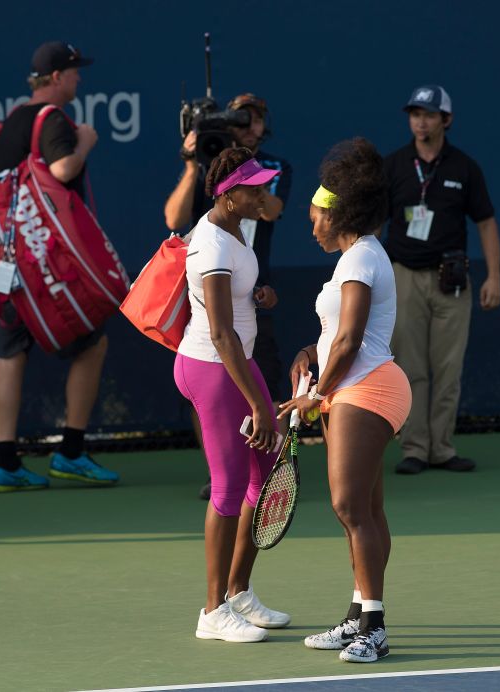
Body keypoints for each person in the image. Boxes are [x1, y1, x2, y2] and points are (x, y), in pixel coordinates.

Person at [278, 139, 411, 663]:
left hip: (367, 387)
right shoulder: (357, 257)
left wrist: (315, 394)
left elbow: (354, 340)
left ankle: (374, 628)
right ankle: (358, 615)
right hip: (353, 386)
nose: (312, 228)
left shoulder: (360, 259)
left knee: (349, 506)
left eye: (316, 218)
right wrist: (312, 351)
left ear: (341, 215)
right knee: (364, 511)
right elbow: (339, 332)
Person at [0, 41, 119, 492]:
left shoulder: (14, 121)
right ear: (57, 77)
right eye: (75, 72)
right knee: (91, 343)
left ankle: (5, 462)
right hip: (44, 265)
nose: (79, 79)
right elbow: (62, 169)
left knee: (10, 350)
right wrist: (84, 141)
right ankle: (71, 452)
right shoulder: (55, 120)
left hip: (11, 262)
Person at [174, 147, 291, 642]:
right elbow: (221, 334)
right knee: (226, 489)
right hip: (212, 368)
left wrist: (260, 295)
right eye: (256, 188)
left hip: (235, 364)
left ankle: (238, 590)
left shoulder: (238, 229)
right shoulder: (212, 245)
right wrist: (261, 406)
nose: (265, 195)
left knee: (263, 478)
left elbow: (235, 308)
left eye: (266, 186)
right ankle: (210, 611)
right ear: (229, 193)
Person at [164, 94, 292, 499]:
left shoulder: (274, 168)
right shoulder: (210, 181)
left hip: (248, 305)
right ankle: (222, 464)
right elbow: (173, 218)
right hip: (213, 336)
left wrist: (251, 176)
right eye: (239, 120)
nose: (247, 126)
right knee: (228, 480)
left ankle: (249, 472)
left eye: (253, 120)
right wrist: (192, 165)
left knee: (267, 388)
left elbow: (270, 210)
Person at [383, 85, 500, 475]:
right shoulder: (395, 165)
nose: (420, 121)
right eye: (415, 113)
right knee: (409, 367)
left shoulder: (465, 168)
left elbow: (486, 223)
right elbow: (373, 221)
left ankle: (443, 448)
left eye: (430, 114)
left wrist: (494, 277)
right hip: (404, 276)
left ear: (446, 120)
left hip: (451, 280)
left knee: (448, 368)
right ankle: (415, 448)